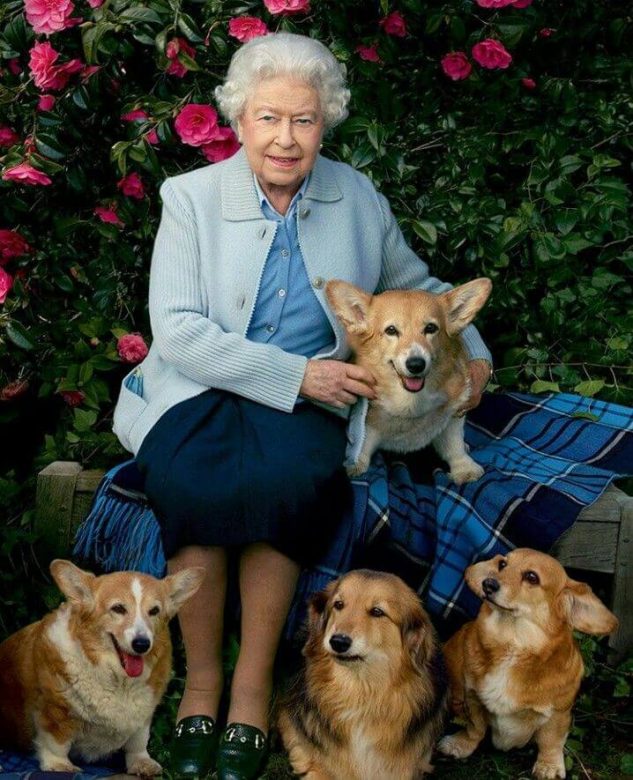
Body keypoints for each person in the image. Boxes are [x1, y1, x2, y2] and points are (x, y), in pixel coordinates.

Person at [112, 32, 492, 780]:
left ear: (326, 122)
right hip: (203, 388)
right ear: (239, 119)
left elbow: (414, 281)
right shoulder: (189, 199)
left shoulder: (353, 195)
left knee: (290, 485)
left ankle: (250, 695)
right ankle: (201, 688)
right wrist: (297, 374)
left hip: (311, 403)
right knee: (193, 484)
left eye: (304, 120)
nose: (286, 139)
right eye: (268, 118)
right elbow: (180, 332)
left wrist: (473, 351)